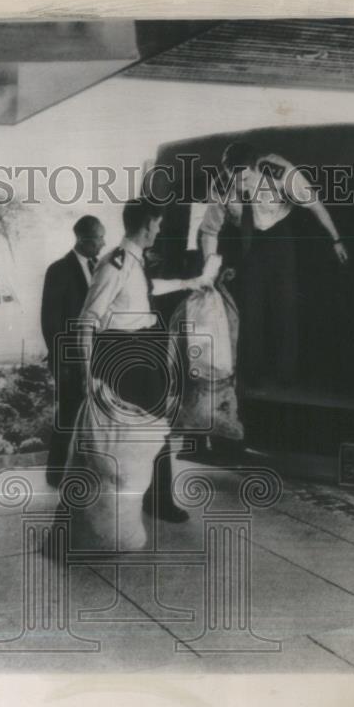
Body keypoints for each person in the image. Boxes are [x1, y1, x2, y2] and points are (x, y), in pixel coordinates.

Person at [72, 199, 214, 528]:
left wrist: (189, 284)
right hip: (125, 355)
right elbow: (87, 319)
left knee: (147, 431)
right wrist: (86, 371)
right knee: (147, 430)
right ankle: (155, 501)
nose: (159, 230)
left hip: (140, 351)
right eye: (158, 225)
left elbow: (146, 291)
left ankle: (144, 499)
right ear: (147, 225)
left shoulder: (132, 262)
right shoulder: (115, 265)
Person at [198, 141, 348, 387]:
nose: (240, 185)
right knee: (250, 304)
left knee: (283, 302)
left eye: (245, 179)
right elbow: (209, 231)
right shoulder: (222, 186)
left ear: (255, 167)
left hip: (278, 233)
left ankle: (285, 376)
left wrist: (336, 239)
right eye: (235, 179)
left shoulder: (277, 169)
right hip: (246, 238)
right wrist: (208, 271)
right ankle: (253, 375)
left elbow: (314, 204)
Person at [40, 215, 105, 487]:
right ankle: (55, 474)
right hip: (70, 360)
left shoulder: (100, 268)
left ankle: (87, 470)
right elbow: (50, 321)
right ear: (81, 239)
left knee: (94, 415)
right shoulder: (59, 270)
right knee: (68, 414)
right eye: (98, 239)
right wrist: (63, 363)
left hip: (95, 356)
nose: (103, 244)